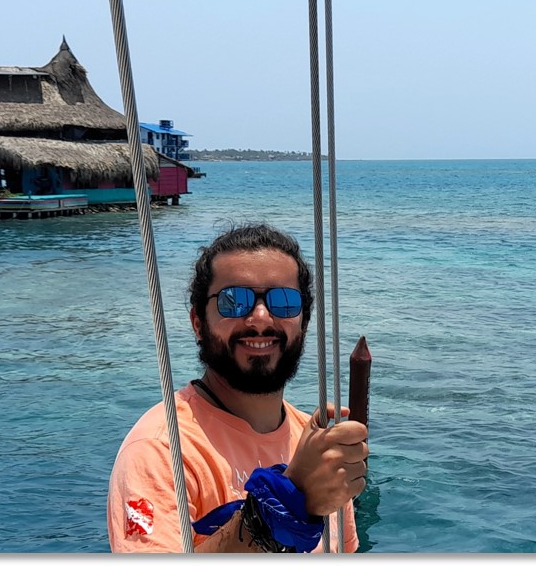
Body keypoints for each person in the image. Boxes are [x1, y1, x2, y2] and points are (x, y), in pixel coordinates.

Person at [107, 223, 368, 553]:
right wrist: (285, 502)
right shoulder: (161, 449)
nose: (260, 318)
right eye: (234, 301)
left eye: (284, 301)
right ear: (198, 323)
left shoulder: (316, 447)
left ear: (303, 321)